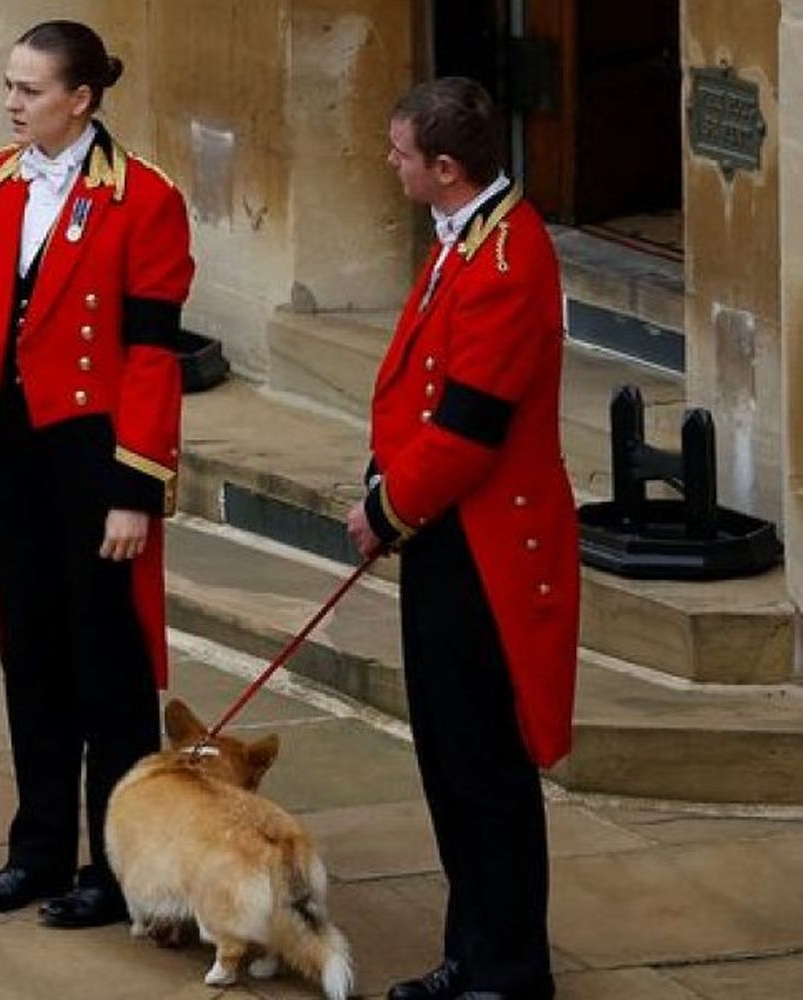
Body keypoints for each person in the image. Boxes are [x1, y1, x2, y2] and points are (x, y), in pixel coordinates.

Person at [0, 20, 194, 929]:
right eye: (8, 86)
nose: (11, 103)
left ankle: (117, 872)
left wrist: (136, 491)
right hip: (10, 454)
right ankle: (35, 852)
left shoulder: (145, 199)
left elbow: (154, 355)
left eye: (30, 91)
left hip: (94, 457)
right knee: (28, 655)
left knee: (106, 671)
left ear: (81, 99)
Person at [344, 77, 577, 1000]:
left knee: (483, 766)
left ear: (444, 168)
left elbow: (471, 428)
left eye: (400, 153)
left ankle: (508, 970)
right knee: (449, 758)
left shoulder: (509, 259)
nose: (389, 163)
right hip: (446, 535)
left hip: (485, 547)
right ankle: (472, 950)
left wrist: (384, 507)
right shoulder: (467, 237)